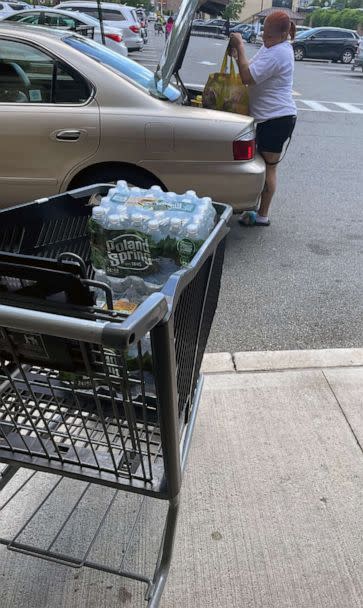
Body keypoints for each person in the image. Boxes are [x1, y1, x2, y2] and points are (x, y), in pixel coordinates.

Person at [229, 12, 297, 227]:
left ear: (284, 34)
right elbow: (249, 66)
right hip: (269, 118)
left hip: (277, 119)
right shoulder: (272, 48)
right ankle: (256, 209)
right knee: (260, 165)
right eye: (264, 35)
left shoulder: (280, 53)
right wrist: (238, 54)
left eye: (269, 37)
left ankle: (262, 215)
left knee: (268, 168)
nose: (265, 40)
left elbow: (248, 77)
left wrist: (240, 44)